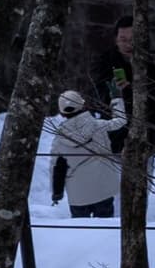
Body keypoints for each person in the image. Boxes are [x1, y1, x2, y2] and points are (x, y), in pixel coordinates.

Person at [93, 19, 155, 176]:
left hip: (147, 137)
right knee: (115, 194)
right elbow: (98, 99)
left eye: (132, 40)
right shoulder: (105, 61)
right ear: (116, 40)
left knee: (142, 190)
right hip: (114, 139)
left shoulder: (152, 61)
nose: (127, 45)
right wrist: (116, 91)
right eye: (123, 40)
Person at [49, 89, 119, 218]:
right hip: (103, 188)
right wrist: (117, 99)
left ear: (62, 113)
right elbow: (121, 121)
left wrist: (57, 193)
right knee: (104, 228)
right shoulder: (99, 125)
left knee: (81, 230)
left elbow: (58, 167)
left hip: (78, 195)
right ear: (82, 105)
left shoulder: (59, 139)